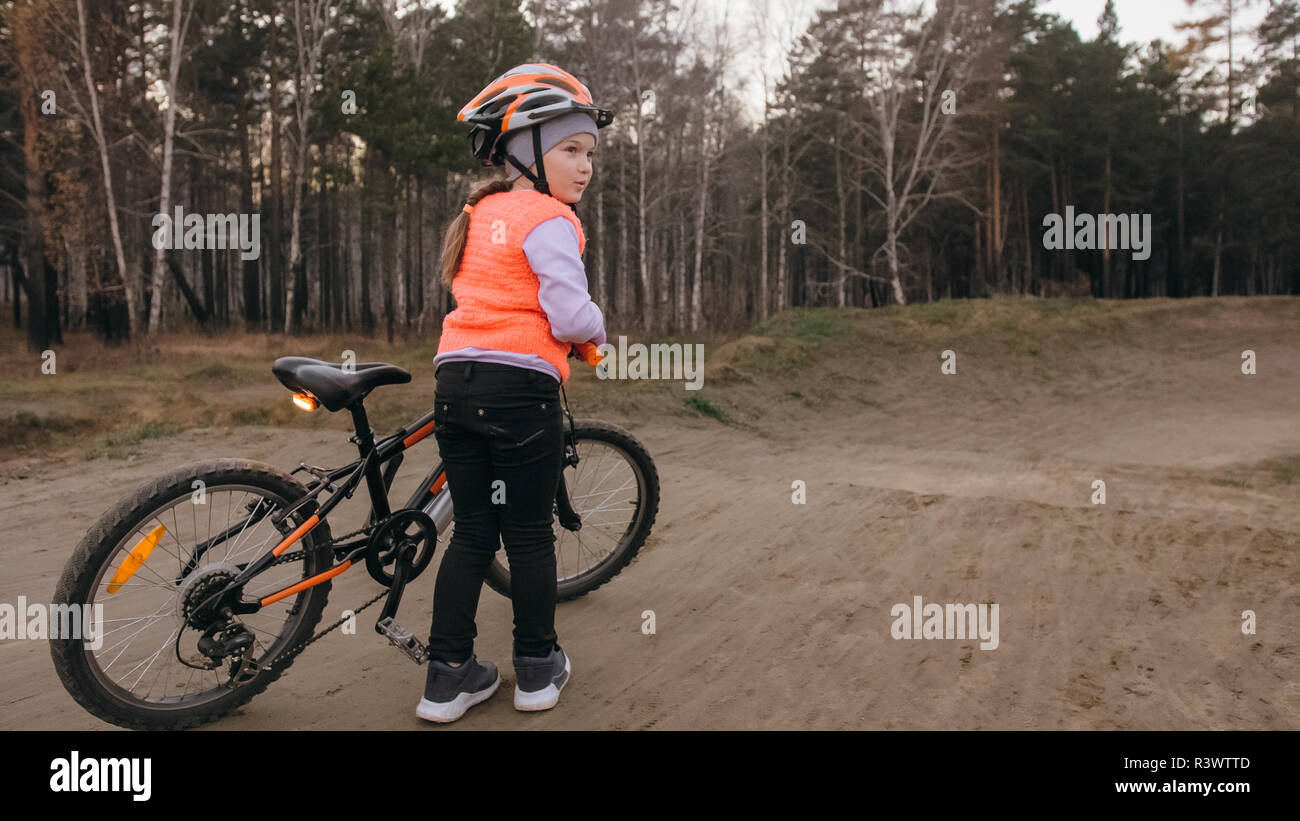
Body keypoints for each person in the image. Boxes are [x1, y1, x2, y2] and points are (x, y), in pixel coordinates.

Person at [414, 63, 614, 723]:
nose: (585, 167)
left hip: (454, 383)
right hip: (521, 395)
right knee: (528, 535)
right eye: (570, 151)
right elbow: (568, 312)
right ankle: (536, 667)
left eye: (590, 153)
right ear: (521, 153)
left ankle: (446, 678)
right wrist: (596, 334)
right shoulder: (550, 218)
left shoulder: (480, 212)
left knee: (471, 530)